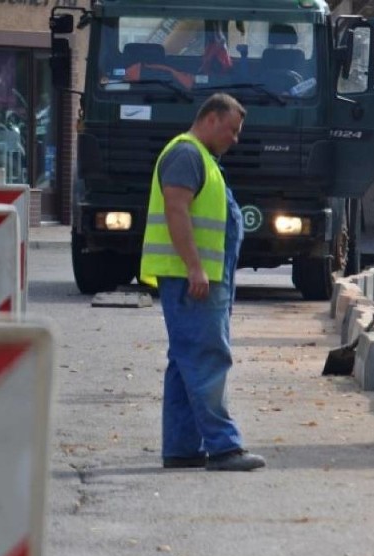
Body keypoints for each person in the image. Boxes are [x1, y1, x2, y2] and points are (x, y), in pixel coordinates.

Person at [140, 93, 266, 471]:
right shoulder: (187, 155)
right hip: (190, 280)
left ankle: (181, 447)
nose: (235, 138)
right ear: (211, 119)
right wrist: (195, 267)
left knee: (185, 362)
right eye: (232, 129)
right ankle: (224, 446)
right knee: (208, 357)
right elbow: (175, 210)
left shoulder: (202, 159)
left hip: (196, 279)